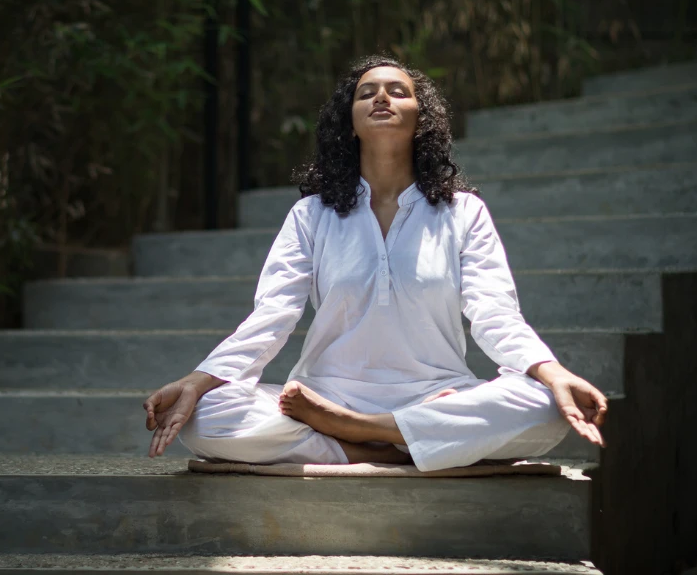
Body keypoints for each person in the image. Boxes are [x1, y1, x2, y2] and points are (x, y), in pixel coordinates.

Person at [142, 55, 609, 471]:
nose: (381, 97)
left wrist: (552, 372)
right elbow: (271, 315)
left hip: (435, 394)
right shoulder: (312, 214)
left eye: (397, 91)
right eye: (367, 93)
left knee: (545, 408)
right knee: (206, 417)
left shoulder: (462, 212)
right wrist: (199, 380)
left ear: (421, 119)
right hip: (322, 396)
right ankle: (395, 446)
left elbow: (495, 313)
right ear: (350, 122)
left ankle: (370, 432)